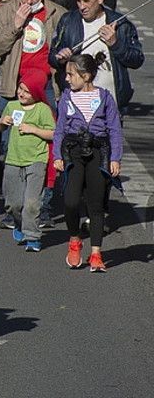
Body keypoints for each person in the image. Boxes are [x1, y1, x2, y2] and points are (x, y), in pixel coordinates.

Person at [54, 52, 123, 273]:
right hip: (73, 153)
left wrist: (115, 158)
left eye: (70, 74)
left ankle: (96, 253)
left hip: (98, 153)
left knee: (95, 205)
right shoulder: (66, 97)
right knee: (71, 201)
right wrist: (57, 155)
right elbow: (60, 130)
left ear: (86, 76)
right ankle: (75, 239)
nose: (67, 78)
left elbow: (114, 129)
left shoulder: (105, 97)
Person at [50, 0, 144, 109]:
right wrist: (60, 58)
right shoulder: (68, 21)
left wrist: (115, 44)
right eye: (78, 1)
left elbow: (137, 60)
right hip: (76, 104)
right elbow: (52, 55)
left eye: (87, 1)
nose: (82, 7)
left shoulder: (121, 24)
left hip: (111, 103)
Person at [0, 68, 55, 251]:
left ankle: (32, 236)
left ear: (37, 93)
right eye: (20, 89)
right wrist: (2, 122)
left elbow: (54, 133)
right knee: (13, 202)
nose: (21, 93)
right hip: (13, 159)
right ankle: (19, 223)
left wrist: (34, 129)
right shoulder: (12, 106)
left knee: (32, 202)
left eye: (27, 91)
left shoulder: (42, 109)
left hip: (37, 160)